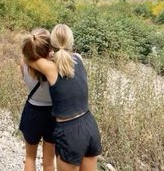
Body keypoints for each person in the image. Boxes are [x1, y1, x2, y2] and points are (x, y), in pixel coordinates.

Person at [22, 24, 102, 171]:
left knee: (32, 157)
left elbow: (28, 59)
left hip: (70, 131)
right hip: (89, 124)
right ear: (71, 42)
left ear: (52, 44)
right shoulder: (78, 58)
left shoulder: (51, 68)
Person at [19, 28, 56, 171]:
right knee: (48, 162)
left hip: (32, 112)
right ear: (49, 49)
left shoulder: (24, 64)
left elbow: (25, 61)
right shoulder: (55, 68)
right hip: (52, 114)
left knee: (29, 157)